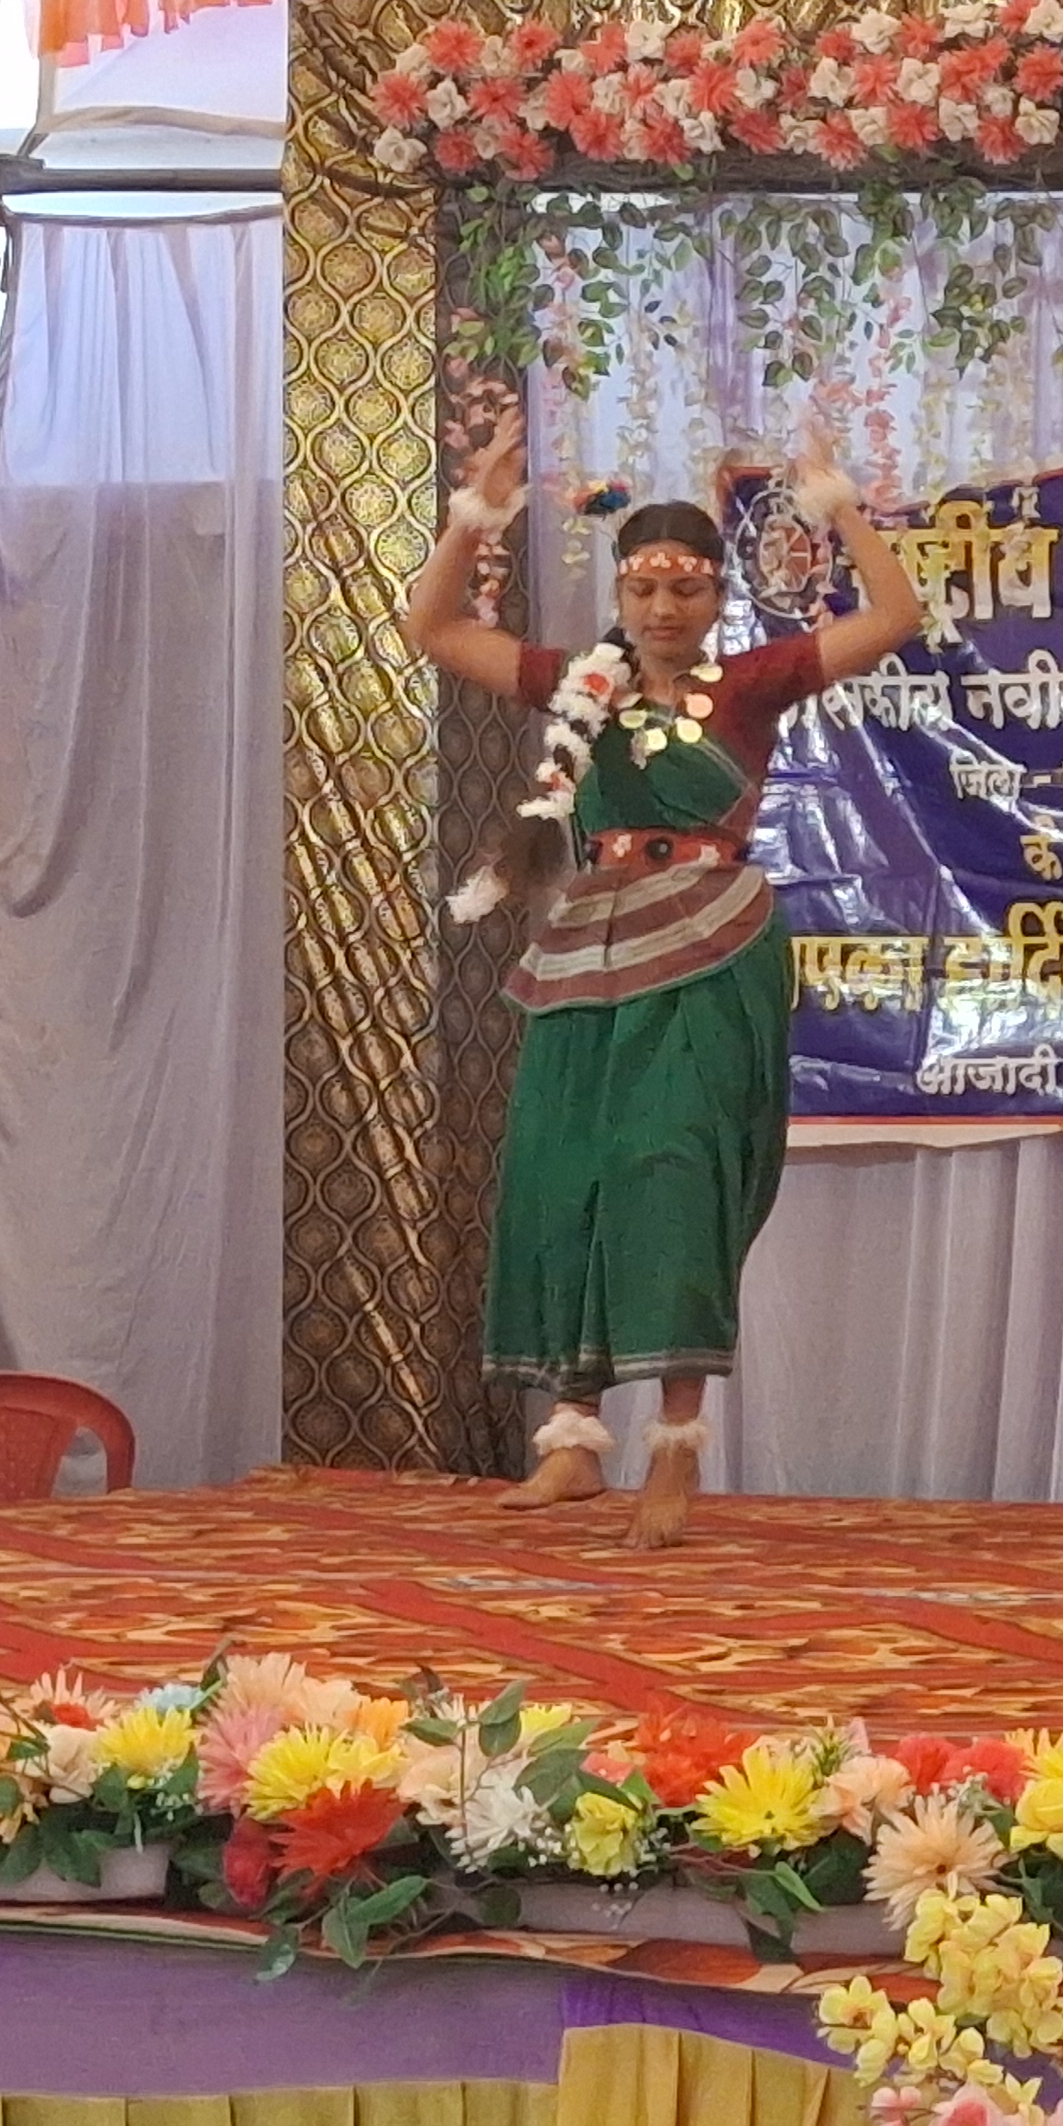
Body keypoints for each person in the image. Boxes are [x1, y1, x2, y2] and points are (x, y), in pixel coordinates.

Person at [409, 421, 924, 1547]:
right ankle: (572, 1438)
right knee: (573, 1172)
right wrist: (474, 516)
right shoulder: (578, 686)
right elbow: (434, 628)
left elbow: (894, 618)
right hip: (590, 948)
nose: (662, 608)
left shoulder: (749, 685)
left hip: (710, 945)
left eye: (686, 587)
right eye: (643, 587)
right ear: (621, 594)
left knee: (675, 1173)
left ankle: (677, 1445)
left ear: (718, 597)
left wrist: (840, 508)